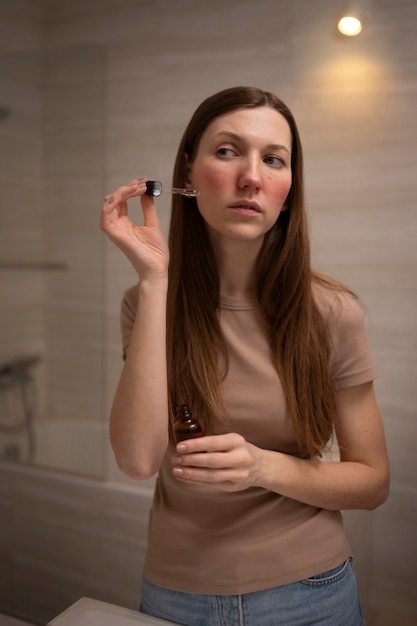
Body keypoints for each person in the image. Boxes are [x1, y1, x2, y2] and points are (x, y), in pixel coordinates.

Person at [100, 86, 389, 626]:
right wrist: (157, 281)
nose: (251, 176)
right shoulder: (144, 302)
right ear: (188, 172)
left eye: (273, 159)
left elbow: (373, 482)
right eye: (228, 151)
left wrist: (262, 467)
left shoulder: (331, 312)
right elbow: (137, 460)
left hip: (310, 594)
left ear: (287, 188)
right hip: (174, 593)